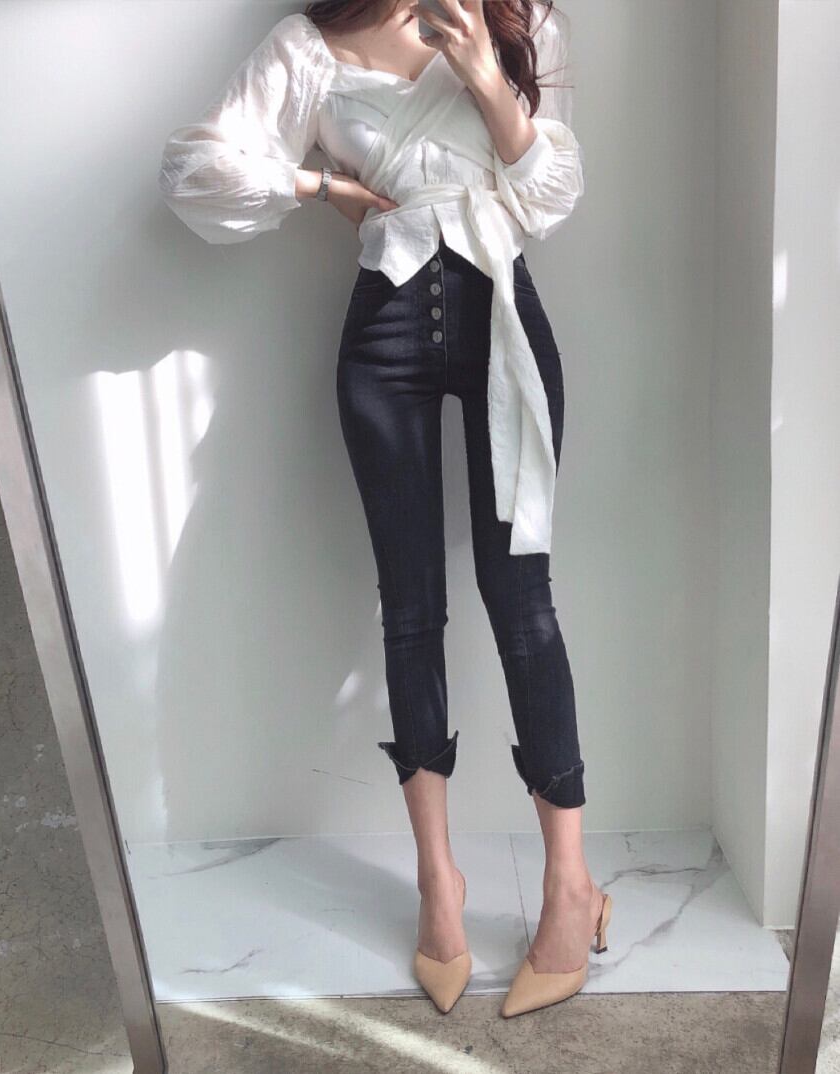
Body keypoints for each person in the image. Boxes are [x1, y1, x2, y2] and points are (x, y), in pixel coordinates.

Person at [157, 0, 611, 1018]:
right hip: (383, 338)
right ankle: (438, 883)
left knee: (522, 604)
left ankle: (570, 884)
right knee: (409, 608)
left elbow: (551, 197)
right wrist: (320, 184)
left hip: (502, 319)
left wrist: (487, 76)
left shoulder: (520, 20)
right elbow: (193, 168)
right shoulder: (308, 46)